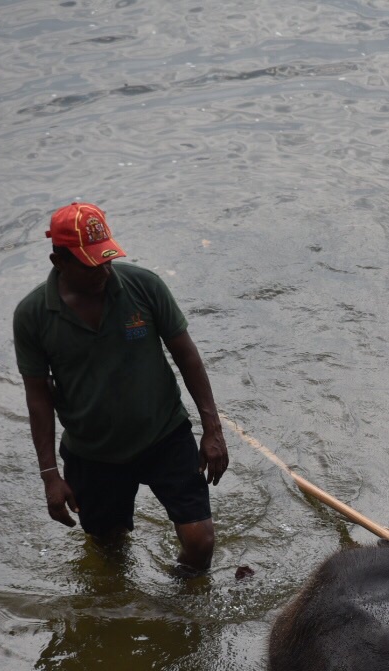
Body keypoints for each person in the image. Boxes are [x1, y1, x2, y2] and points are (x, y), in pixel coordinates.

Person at [13, 202, 228, 574]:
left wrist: (212, 429)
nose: (104, 270)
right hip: (93, 453)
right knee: (108, 548)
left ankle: (182, 610)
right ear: (58, 261)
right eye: (90, 263)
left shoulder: (143, 287)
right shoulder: (32, 316)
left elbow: (187, 356)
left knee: (200, 542)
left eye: (107, 258)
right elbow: (38, 398)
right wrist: (50, 475)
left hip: (164, 435)